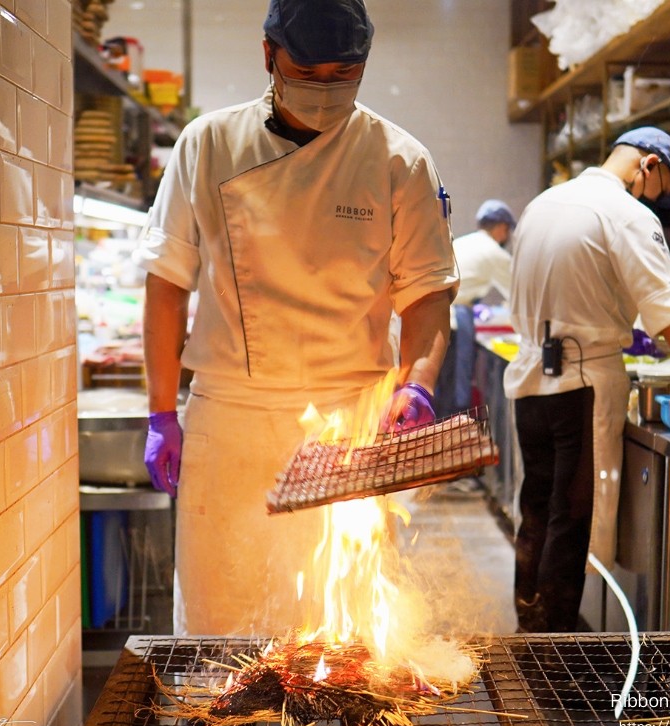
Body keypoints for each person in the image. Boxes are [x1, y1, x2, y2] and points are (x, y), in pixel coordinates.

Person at [137, 0, 458, 636]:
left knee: (342, 631)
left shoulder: (400, 160)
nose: (325, 90)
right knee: (218, 624)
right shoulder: (208, 143)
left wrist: (415, 385)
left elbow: (425, 296)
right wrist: (160, 410)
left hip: (347, 425)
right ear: (268, 56)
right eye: (309, 72)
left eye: (344, 74)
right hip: (229, 421)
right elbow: (166, 285)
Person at [502, 127, 670, 633]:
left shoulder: (546, 201)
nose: (655, 201)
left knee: (538, 506)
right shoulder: (627, 213)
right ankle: (557, 642)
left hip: (530, 380)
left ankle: (530, 624)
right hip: (582, 383)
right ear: (648, 165)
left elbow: (567, 283)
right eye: (659, 190)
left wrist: (620, 328)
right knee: (572, 517)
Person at [434, 200, 516, 417]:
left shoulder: (466, 241)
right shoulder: (494, 252)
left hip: (436, 318)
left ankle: (437, 437)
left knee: (440, 386)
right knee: (456, 388)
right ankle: (452, 440)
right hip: (454, 323)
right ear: (501, 228)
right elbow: (518, 293)